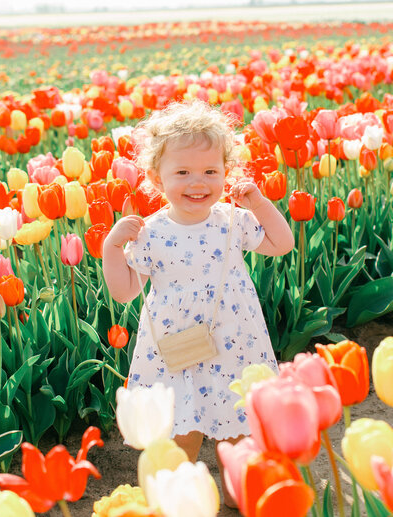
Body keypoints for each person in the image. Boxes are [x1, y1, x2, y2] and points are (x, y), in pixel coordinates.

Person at [103, 100, 294, 506]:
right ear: (156, 177)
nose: (198, 182)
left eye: (211, 171)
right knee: (181, 431)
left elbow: (282, 243)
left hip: (233, 342)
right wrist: (112, 247)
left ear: (227, 173)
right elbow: (124, 292)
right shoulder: (150, 233)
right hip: (177, 349)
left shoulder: (233, 220)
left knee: (238, 429)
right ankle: (180, 499)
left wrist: (259, 203)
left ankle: (236, 493)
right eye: (183, 172)